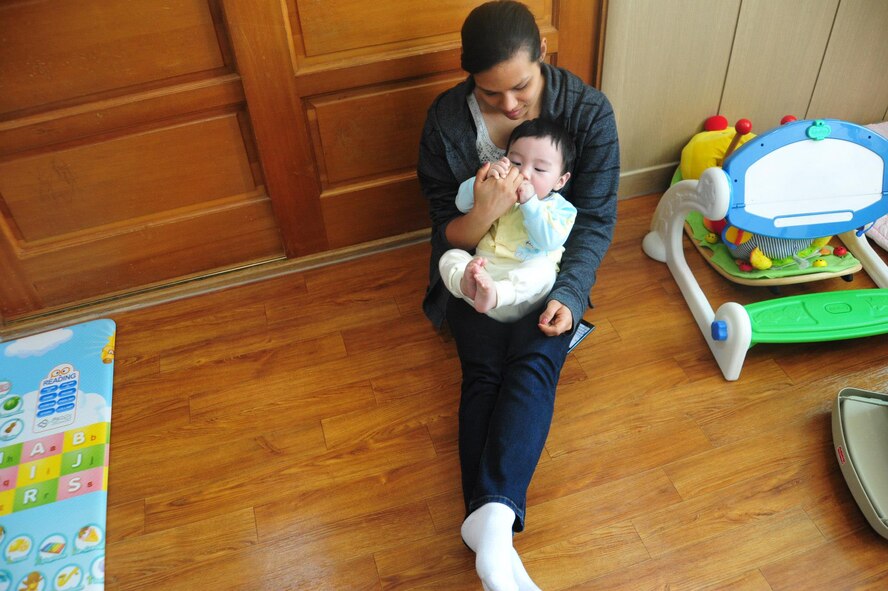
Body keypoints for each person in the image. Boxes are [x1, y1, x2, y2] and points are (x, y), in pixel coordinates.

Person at [417, 1, 619, 589]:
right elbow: (445, 231)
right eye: (490, 93)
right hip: (477, 269)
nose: (509, 105)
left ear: (543, 57)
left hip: (544, 278)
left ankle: (490, 525)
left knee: (533, 365)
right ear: (469, 80)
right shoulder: (446, 122)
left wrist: (571, 294)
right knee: (483, 373)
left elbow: (594, 221)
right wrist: (486, 210)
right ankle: (497, 530)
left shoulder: (587, 113)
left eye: (522, 87)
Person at [439, 118, 577, 322]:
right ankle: (466, 285)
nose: (524, 173)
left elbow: (548, 241)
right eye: (516, 163)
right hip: (484, 273)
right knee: (450, 257)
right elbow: (461, 204)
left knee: (545, 271)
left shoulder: (561, 209)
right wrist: (485, 180)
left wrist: (530, 203)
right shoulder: (499, 190)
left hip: (521, 292)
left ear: (560, 181)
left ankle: (495, 294)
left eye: (539, 169)